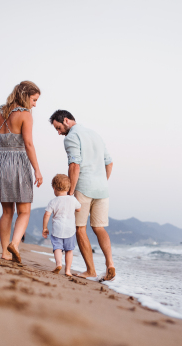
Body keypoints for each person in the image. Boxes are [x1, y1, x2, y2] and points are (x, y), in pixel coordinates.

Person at [0, 81, 43, 263]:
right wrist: (37, 170)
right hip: (18, 162)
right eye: (34, 99)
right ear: (25, 95)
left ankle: (4, 252)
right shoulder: (25, 115)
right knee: (24, 211)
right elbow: (29, 144)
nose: (34, 104)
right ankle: (15, 244)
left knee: (7, 212)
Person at [49, 110, 115, 281]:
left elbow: (74, 166)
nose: (59, 133)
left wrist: (70, 193)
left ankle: (91, 270)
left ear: (66, 120)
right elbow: (109, 162)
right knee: (99, 228)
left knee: (80, 229)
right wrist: (102, 180)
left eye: (58, 128)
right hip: (102, 189)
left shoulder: (71, 138)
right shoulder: (95, 135)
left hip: (83, 188)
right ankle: (110, 264)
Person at [42, 174, 81, 277]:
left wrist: (45, 227)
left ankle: (59, 264)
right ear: (68, 188)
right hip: (70, 230)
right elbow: (79, 208)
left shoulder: (53, 201)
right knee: (69, 250)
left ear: (54, 188)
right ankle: (68, 270)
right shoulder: (72, 199)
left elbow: (47, 214)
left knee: (57, 248)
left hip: (57, 229)